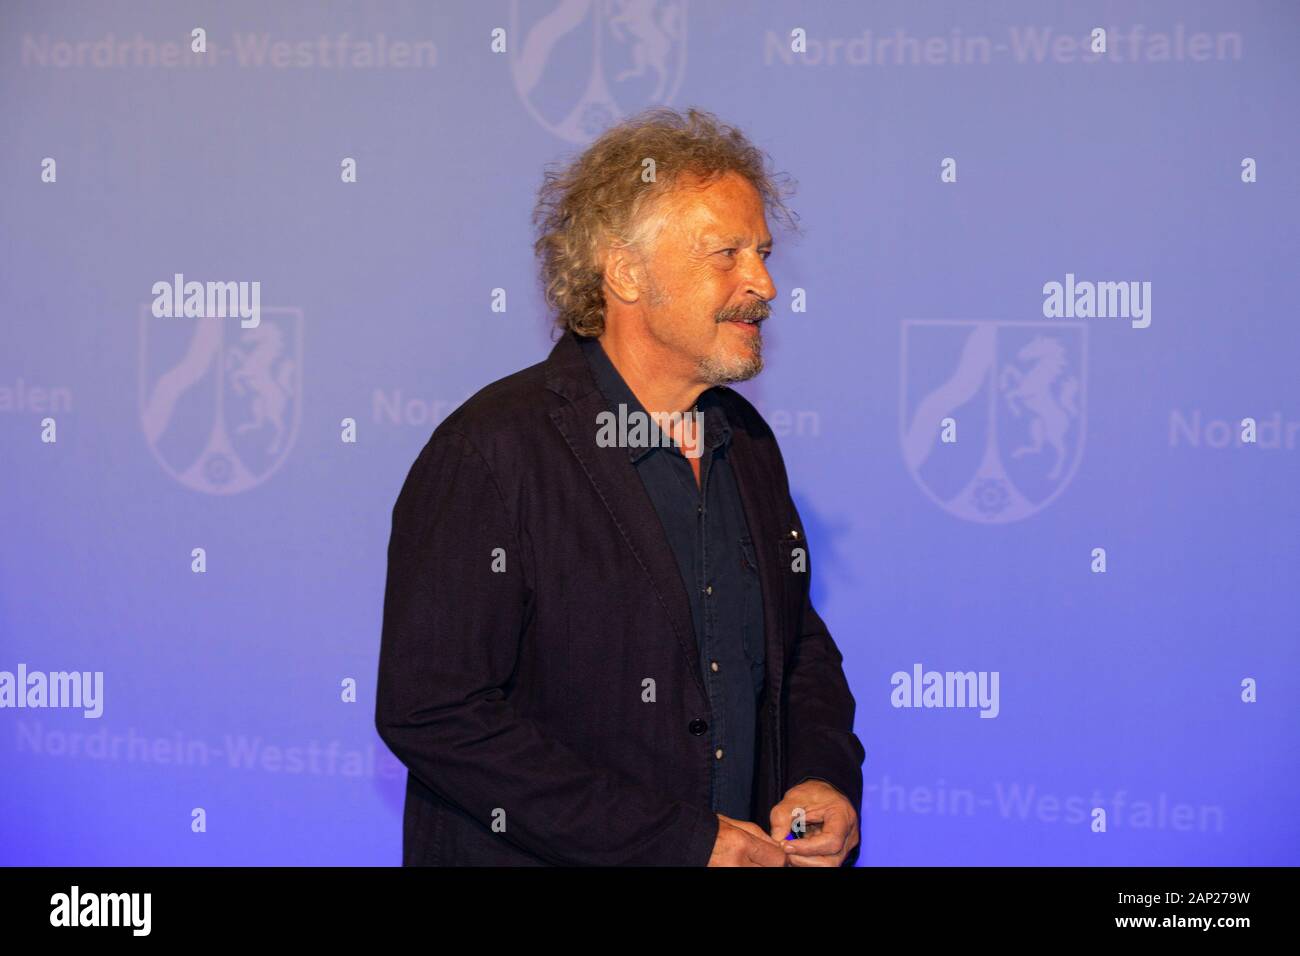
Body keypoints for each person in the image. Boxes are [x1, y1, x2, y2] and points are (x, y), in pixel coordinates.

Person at [376, 107, 864, 866]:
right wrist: (678, 843)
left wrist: (819, 776)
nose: (763, 284)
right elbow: (436, 713)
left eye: (762, 253)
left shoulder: (747, 441)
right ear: (625, 270)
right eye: (726, 254)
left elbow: (796, 648)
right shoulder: (493, 452)